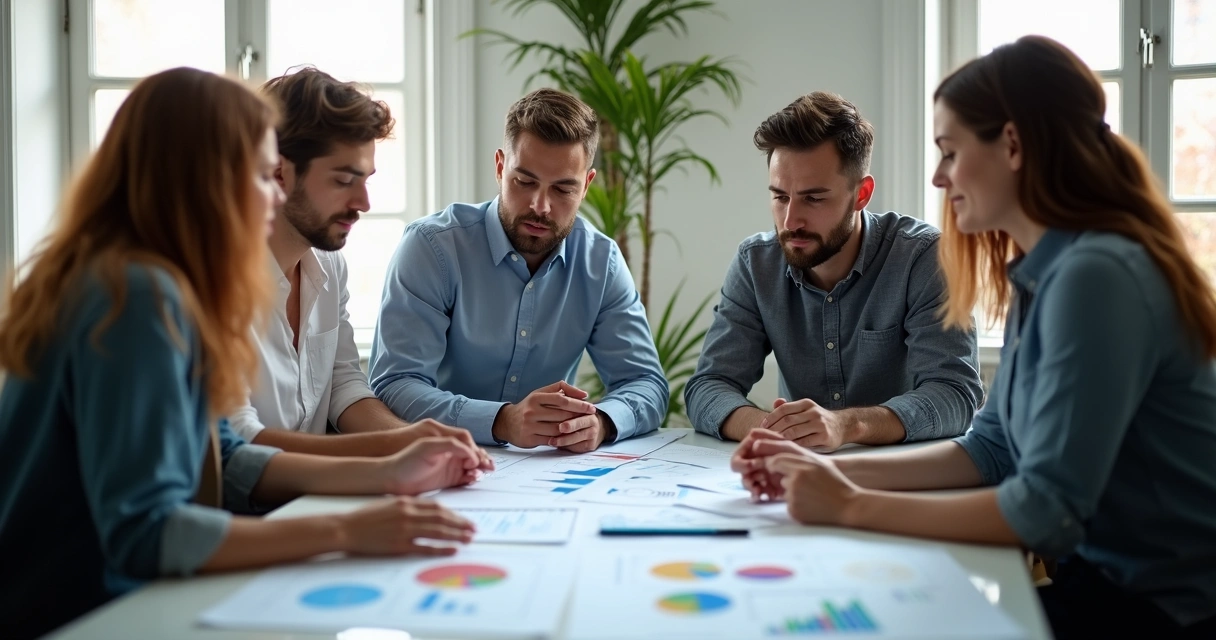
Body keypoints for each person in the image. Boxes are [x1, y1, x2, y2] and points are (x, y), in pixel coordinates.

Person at [732, 36, 1216, 638]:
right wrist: (817, 468)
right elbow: (991, 452)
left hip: (1164, 608)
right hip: (1109, 585)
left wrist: (852, 504)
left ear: (1011, 145)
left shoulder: (1097, 275)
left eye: (950, 152)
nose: (938, 177)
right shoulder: (1044, 273)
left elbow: (1046, 512)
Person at [0, 68, 489, 640]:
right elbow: (145, 532)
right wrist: (347, 531)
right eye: (263, 175)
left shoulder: (157, 280)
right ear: (205, 180)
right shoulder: (135, 294)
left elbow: (224, 455)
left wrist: (386, 469)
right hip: (76, 614)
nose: (276, 193)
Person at [370, 88, 668, 451]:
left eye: (562, 189)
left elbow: (645, 383)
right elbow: (395, 385)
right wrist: (501, 421)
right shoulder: (433, 248)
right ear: (500, 167)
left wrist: (602, 422)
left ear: (586, 186)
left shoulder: (600, 262)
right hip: (433, 458)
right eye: (525, 182)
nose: (540, 206)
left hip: (541, 479)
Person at [686, 92, 982, 451]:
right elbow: (708, 387)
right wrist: (773, 429)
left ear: (862, 194)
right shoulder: (756, 263)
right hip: (799, 472)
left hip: (903, 475)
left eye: (813, 198)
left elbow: (954, 394)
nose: (791, 220)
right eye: (780, 197)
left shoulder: (924, 258)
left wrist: (846, 425)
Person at [225, 66, 483, 459]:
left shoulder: (330, 265)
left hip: (311, 498)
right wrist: (391, 454)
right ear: (279, 172)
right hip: (251, 509)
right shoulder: (218, 277)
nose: (364, 203)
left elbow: (343, 385)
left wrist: (415, 439)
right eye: (344, 181)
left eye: (366, 180)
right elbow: (236, 440)